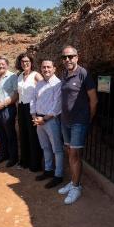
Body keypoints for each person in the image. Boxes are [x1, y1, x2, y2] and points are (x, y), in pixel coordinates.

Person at [58, 45, 97, 204]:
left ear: (77, 57)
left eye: (71, 56)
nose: (67, 59)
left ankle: (76, 186)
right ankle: (73, 181)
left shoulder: (84, 74)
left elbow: (94, 101)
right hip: (65, 121)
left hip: (78, 122)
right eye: (64, 57)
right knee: (69, 152)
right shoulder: (64, 74)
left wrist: (88, 119)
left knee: (75, 155)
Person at [31, 60, 64, 189]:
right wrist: (34, 116)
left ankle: (58, 175)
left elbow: (57, 105)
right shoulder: (39, 84)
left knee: (57, 149)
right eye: (44, 67)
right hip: (39, 119)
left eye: (49, 67)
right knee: (45, 147)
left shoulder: (58, 84)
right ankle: (49, 170)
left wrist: (44, 119)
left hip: (51, 120)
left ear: (54, 68)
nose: (46, 69)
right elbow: (33, 100)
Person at [15, 53, 43, 171]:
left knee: (33, 136)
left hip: (32, 108)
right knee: (23, 134)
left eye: (27, 61)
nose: (25, 63)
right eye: (22, 61)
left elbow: (44, 89)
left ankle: (34, 164)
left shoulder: (36, 75)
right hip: (21, 108)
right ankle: (24, 162)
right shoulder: (20, 75)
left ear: (31, 62)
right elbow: (18, 94)